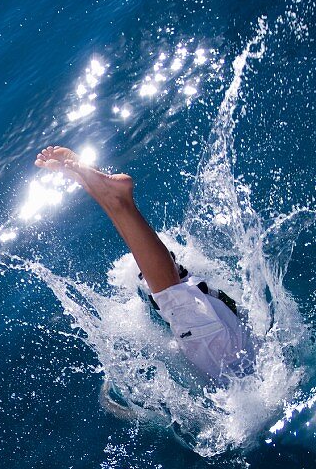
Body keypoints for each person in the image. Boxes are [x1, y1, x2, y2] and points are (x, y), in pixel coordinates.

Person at [34, 146, 253, 381]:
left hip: (230, 331)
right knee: (172, 293)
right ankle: (109, 195)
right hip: (229, 351)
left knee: (174, 289)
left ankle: (100, 190)